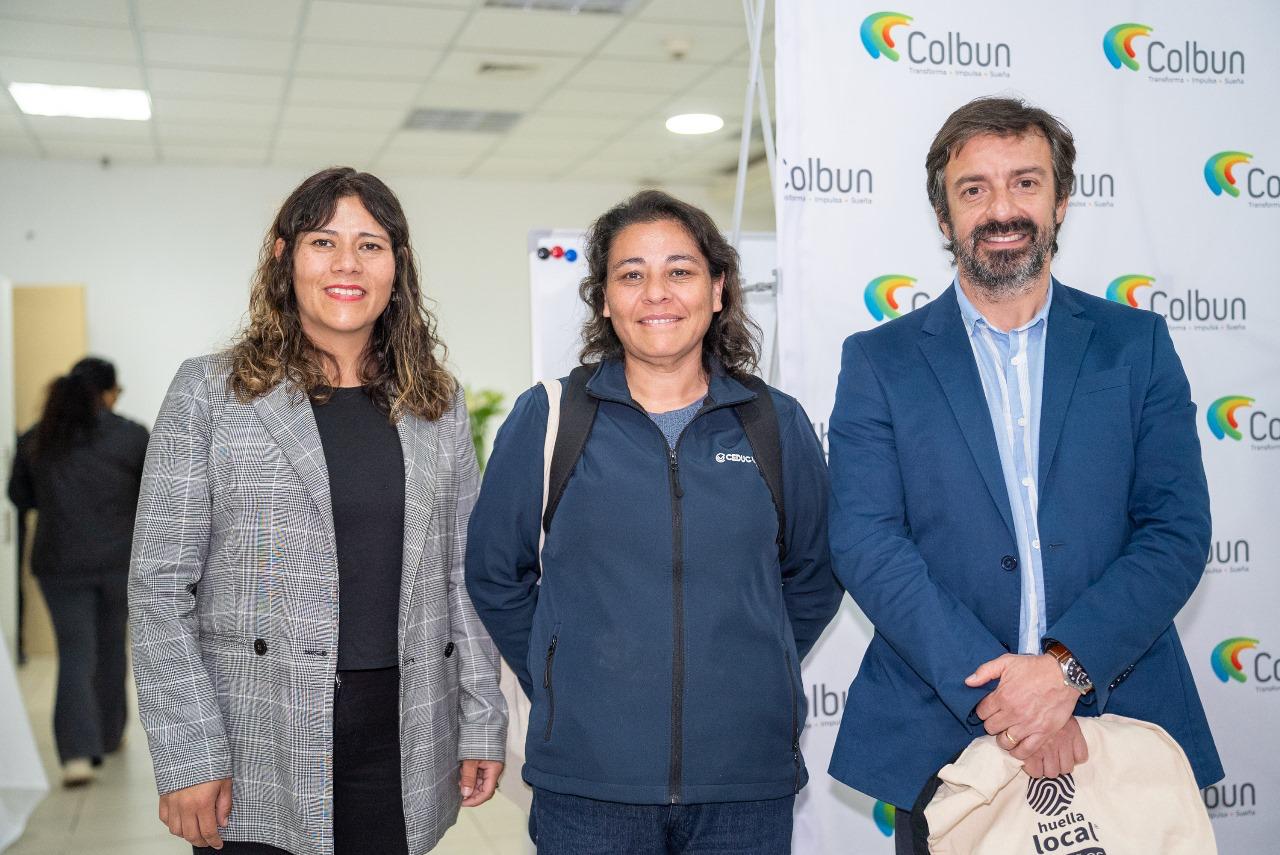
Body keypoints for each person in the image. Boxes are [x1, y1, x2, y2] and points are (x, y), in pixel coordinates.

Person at [825, 96, 1221, 853]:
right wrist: (1010, 698)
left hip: (1123, 726)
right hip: (945, 739)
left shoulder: (1134, 346)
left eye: (1025, 183)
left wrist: (1066, 672)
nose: (1001, 209)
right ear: (944, 217)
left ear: (1062, 200)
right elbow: (867, 541)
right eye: (974, 189)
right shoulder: (880, 361)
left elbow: (1176, 530)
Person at [128, 167, 506, 855]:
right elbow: (158, 585)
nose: (346, 264)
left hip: (402, 730)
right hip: (256, 729)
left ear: (398, 265)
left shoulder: (436, 404)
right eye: (323, 242)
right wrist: (188, 749)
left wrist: (481, 720)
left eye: (370, 245)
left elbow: (462, 574)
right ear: (284, 257)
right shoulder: (211, 393)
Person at [466, 190, 842, 855]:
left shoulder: (773, 422)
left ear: (718, 289)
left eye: (680, 270)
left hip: (744, 784)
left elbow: (813, 572)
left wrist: (759, 657)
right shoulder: (552, 415)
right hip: (589, 786)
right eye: (631, 274)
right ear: (605, 299)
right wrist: (558, 671)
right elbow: (496, 571)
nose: (656, 292)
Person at [7, 356, 148, 786]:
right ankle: (108, 735)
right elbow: (154, 496)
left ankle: (76, 756)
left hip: (59, 564)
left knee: (75, 652)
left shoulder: (37, 438)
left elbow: (19, 496)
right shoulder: (131, 436)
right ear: (107, 393)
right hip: (119, 562)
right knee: (110, 647)